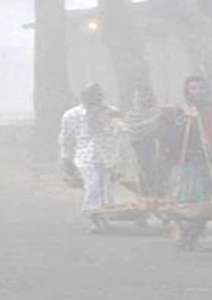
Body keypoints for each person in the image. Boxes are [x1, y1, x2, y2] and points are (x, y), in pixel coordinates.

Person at [169, 76, 212, 251]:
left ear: (207, 90)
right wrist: (186, 123)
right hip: (188, 159)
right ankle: (184, 232)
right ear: (186, 91)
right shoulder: (180, 111)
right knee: (189, 199)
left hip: (209, 159)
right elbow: (172, 136)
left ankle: (195, 236)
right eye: (193, 88)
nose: (197, 92)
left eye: (201, 88)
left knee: (204, 201)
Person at [58, 83, 123, 233]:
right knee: (93, 185)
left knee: (107, 187)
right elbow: (66, 139)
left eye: (98, 94)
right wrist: (66, 159)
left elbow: (121, 134)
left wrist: (121, 160)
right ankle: (94, 218)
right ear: (83, 97)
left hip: (108, 155)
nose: (96, 98)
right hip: (85, 156)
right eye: (91, 95)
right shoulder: (71, 115)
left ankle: (104, 217)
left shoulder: (112, 112)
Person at [124, 86, 171, 199]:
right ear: (136, 98)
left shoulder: (162, 113)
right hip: (140, 152)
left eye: (149, 95)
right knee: (144, 176)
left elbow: (169, 133)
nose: (146, 98)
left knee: (160, 177)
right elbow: (129, 134)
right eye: (142, 96)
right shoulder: (131, 116)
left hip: (161, 151)